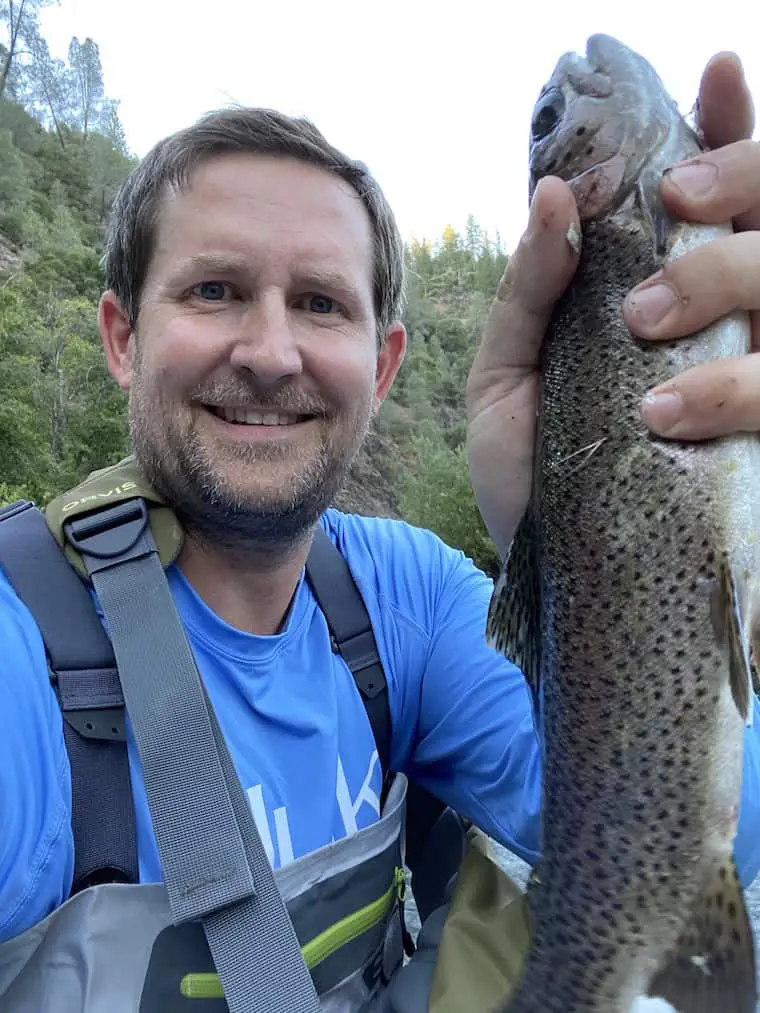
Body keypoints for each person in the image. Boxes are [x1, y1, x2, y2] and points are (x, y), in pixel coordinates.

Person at [0, 46, 758, 1013]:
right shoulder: (23, 657)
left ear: (384, 363)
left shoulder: (404, 601)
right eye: (214, 291)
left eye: (319, 304)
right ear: (121, 336)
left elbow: (718, 837)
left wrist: (580, 541)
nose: (272, 353)